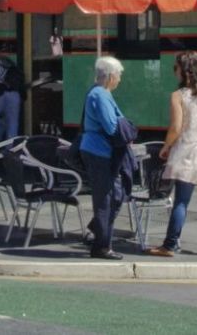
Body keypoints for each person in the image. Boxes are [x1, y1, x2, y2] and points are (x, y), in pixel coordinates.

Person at [147, 51, 197, 257]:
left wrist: (166, 147)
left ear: (184, 71)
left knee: (182, 200)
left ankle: (169, 245)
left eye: (175, 67)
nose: (174, 71)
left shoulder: (178, 96)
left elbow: (176, 127)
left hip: (189, 151)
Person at [80, 55, 130, 260]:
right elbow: (111, 127)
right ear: (110, 76)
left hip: (102, 151)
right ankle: (101, 246)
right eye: (118, 75)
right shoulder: (100, 95)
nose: (119, 79)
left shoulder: (102, 93)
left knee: (116, 195)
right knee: (105, 198)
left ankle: (97, 230)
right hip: (99, 152)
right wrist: (125, 126)